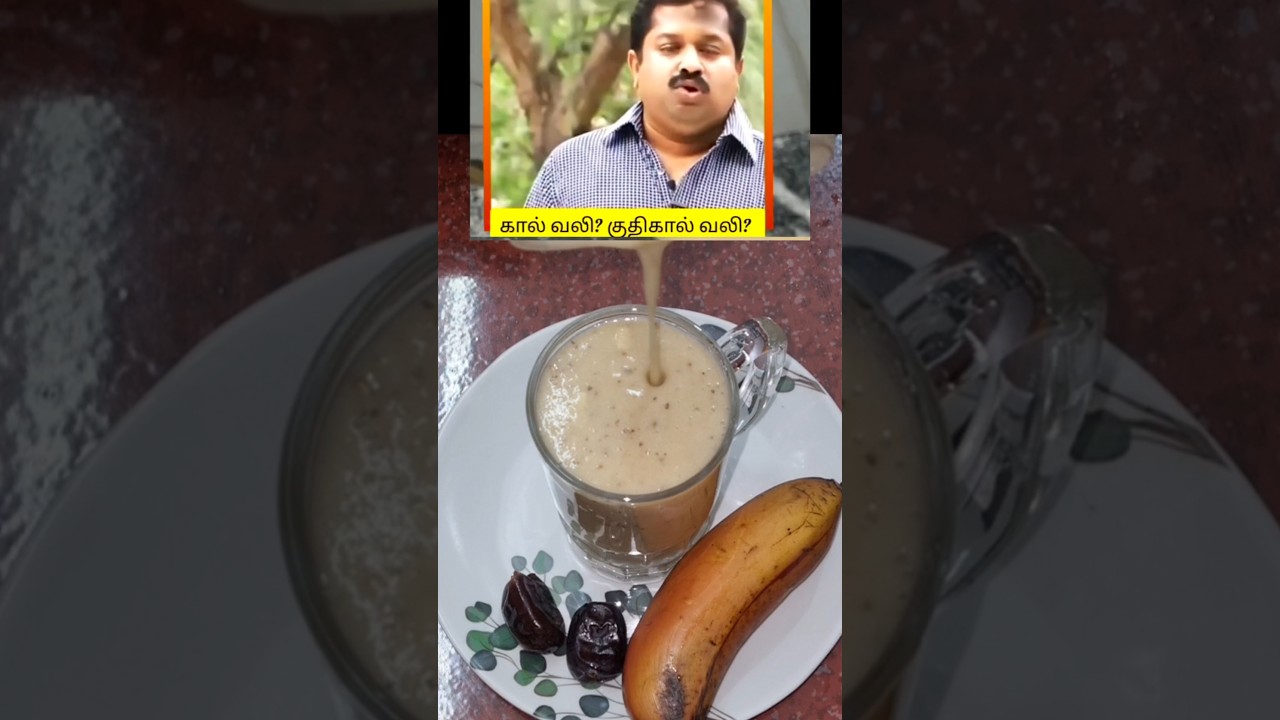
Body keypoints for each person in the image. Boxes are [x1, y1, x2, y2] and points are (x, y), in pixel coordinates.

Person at [525, 0, 764, 209]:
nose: (690, 65)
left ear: (737, 71)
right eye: (669, 48)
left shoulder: (782, 172)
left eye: (709, 50)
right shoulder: (569, 168)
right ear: (636, 66)